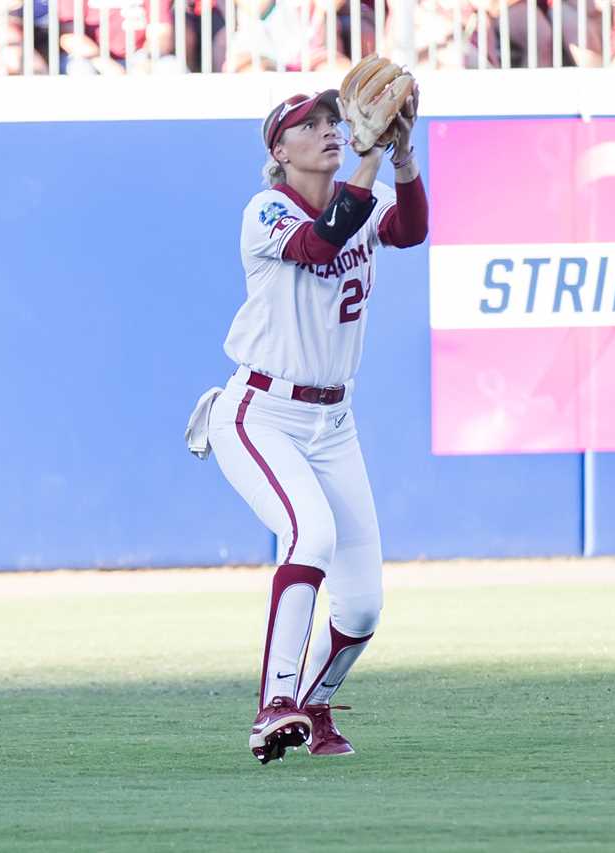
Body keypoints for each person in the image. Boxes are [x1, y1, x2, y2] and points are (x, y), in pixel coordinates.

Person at [185, 88, 427, 763]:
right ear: (278, 151)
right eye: (309, 125)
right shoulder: (265, 208)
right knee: (310, 533)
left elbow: (410, 230)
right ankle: (275, 705)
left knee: (362, 609)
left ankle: (313, 708)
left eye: (331, 121)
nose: (328, 131)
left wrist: (403, 156)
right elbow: (322, 246)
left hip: (333, 422)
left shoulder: (364, 194)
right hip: (260, 412)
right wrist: (373, 158)